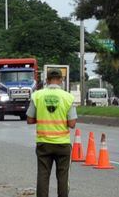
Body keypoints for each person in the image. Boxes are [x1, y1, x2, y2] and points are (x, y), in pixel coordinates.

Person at [26, 68, 77, 197]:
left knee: (43, 175)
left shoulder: (37, 96)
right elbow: (72, 124)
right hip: (62, 144)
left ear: (47, 80)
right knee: (63, 177)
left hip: (43, 143)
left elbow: (30, 119)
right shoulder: (68, 97)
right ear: (61, 80)